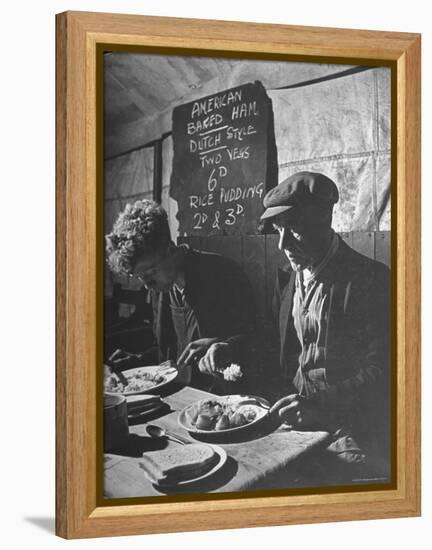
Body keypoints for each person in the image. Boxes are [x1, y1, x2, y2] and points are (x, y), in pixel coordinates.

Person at [262, 171, 391, 483]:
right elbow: (281, 354)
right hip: (294, 418)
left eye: (292, 230)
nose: (282, 244)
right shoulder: (289, 278)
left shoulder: (368, 279)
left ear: (324, 218)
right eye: (278, 231)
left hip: (349, 428)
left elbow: (383, 372)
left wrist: (320, 404)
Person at [105, 199, 256, 391]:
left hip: (224, 397)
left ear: (170, 250)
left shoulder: (223, 274)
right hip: (181, 395)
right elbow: (170, 355)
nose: (147, 286)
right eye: (140, 278)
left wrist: (225, 345)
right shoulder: (160, 289)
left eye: (150, 274)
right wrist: (138, 360)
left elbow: (259, 340)